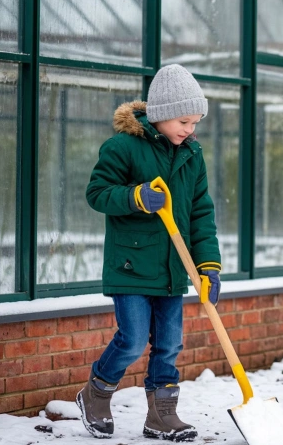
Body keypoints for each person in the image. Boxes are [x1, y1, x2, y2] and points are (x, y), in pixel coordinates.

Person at [78, 64, 222, 442]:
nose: (190, 129)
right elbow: (97, 193)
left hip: (174, 268)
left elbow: (201, 212)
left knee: (170, 344)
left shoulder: (191, 154)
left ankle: (161, 415)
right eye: (183, 120)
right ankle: (96, 392)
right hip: (131, 265)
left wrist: (208, 266)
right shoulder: (123, 147)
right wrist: (135, 196)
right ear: (159, 115)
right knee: (132, 338)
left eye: (195, 122)